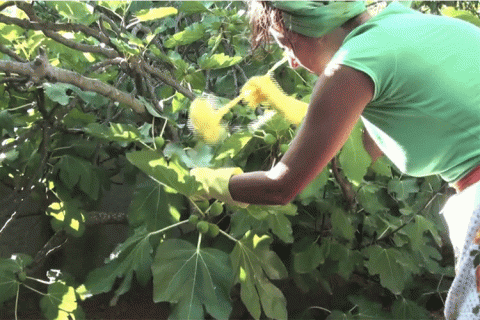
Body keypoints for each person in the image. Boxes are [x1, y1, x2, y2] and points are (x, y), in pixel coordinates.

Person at [191, 2, 480, 319]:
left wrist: (199, 181)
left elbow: (280, 186)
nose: (292, 62)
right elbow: (361, 147)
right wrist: (281, 102)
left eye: (286, 44)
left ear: (307, 27)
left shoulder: (351, 66)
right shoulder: (404, 24)